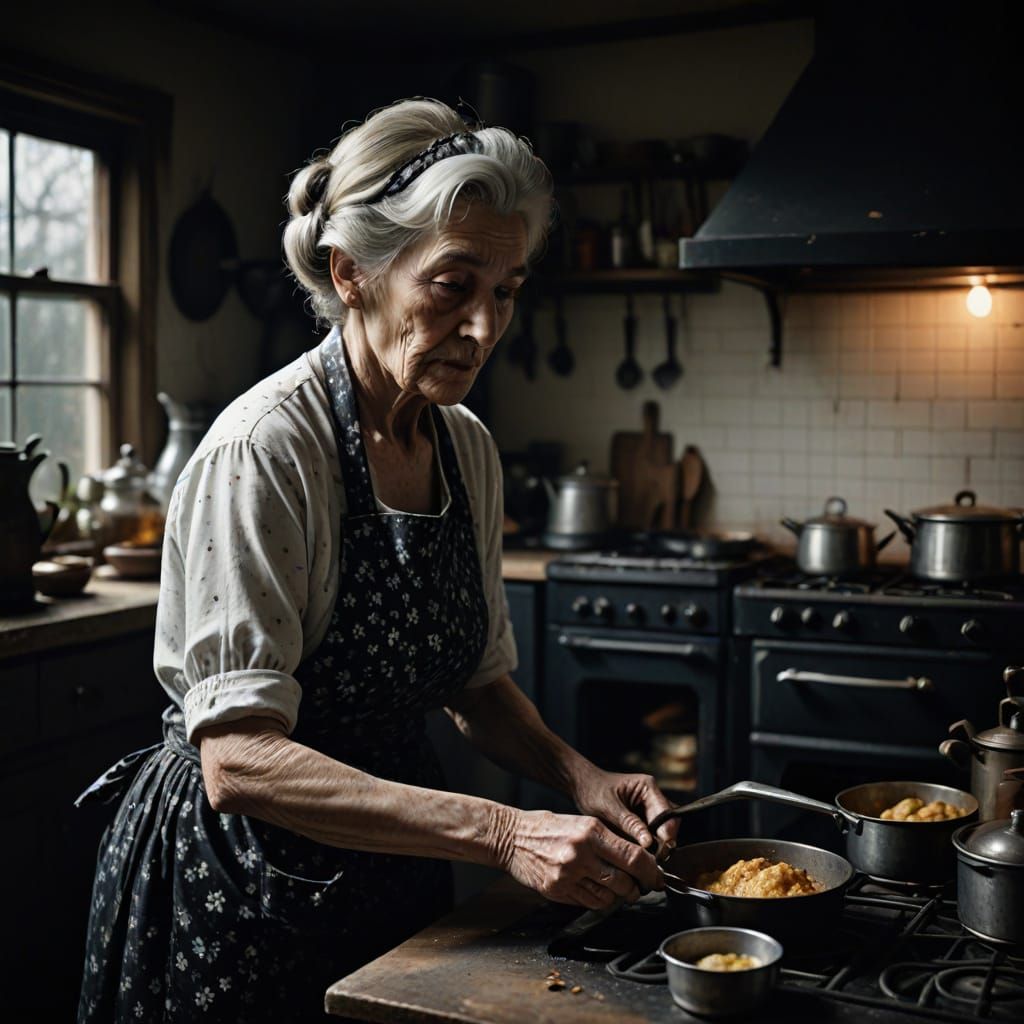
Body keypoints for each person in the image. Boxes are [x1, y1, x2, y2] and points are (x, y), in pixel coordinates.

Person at [77, 98, 680, 1023]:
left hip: (394, 870)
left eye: (508, 290)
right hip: (241, 890)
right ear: (350, 272)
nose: (485, 328)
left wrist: (579, 779)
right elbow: (238, 759)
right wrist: (506, 830)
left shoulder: (466, 448)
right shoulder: (267, 451)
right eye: (453, 285)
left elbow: (474, 685)